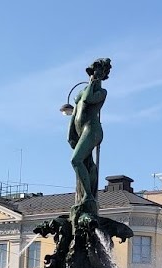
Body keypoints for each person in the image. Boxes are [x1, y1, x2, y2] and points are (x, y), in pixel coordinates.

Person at [68, 57, 111, 222]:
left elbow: (87, 100)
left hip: (92, 130)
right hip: (81, 130)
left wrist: (94, 83)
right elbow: (75, 111)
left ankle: (88, 196)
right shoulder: (83, 90)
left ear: (103, 75)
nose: (95, 74)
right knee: (87, 163)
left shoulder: (101, 92)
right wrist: (70, 131)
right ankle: (88, 194)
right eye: (94, 71)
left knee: (76, 160)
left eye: (99, 72)